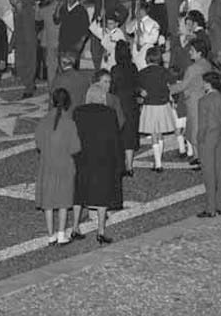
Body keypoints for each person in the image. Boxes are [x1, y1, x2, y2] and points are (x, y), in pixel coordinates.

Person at [72, 81, 124, 245]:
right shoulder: (109, 113)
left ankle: (75, 227)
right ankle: (100, 231)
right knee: (102, 195)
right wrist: (119, 162)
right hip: (103, 158)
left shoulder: (78, 112)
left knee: (79, 193)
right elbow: (115, 138)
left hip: (82, 157)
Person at [34, 87, 82, 246]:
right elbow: (75, 148)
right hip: (65, 166)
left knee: (48, 203)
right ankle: (61, 234)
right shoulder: (69, 123)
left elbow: (39, 144)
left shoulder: (43, 122)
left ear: (52, 101)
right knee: (63, 202)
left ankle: (50, 235)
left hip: (47, 166)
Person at [196, 70, 221, 218]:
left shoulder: (203, 101)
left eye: (204, 82)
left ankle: (210, 208)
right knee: (220, 171)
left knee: (209, 173)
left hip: (207, 139)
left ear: (208, 84)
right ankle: (220, 205)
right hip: (219, 137)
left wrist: (199, 140)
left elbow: (202, 125)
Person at [169, 36, 212, 168]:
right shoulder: (206, 64)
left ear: (199, 52)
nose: (189, 52)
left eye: (192, 50)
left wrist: (168, 89)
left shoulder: (193, 68)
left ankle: (198, 158)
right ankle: (198, 156)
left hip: (194, 100)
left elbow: (183, 85)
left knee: (194, 130)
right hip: (204, 97)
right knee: (200, 128)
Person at [137, 47, 176, 172]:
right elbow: (172, 85)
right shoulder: (164, 71)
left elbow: (137, 87)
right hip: (163, 104)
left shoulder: (142, 73)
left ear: (147, 58)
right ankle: (159, 161)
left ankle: (158, 163)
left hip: (150, 105)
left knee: (153, 134)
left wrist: (140, 92)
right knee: (160, 134)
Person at [109, 41, 139, 176]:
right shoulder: (133, 67)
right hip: (131, 103)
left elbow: (112, 88)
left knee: (119, 133)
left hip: (118, 104)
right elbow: (136, 85)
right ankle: (129, 166)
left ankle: (120, 165)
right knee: (130, 134)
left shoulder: (115, 69)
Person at [8, 0, 37, 99]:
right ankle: (30, 84)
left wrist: (22, 2)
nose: (10, 1)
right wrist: (11, 44)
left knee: (30, 65)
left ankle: (29, 88)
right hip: (20, 43)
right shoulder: (15, 11)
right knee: (20, 66)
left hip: (30, 42)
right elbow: (16, 29)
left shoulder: (27, 7)